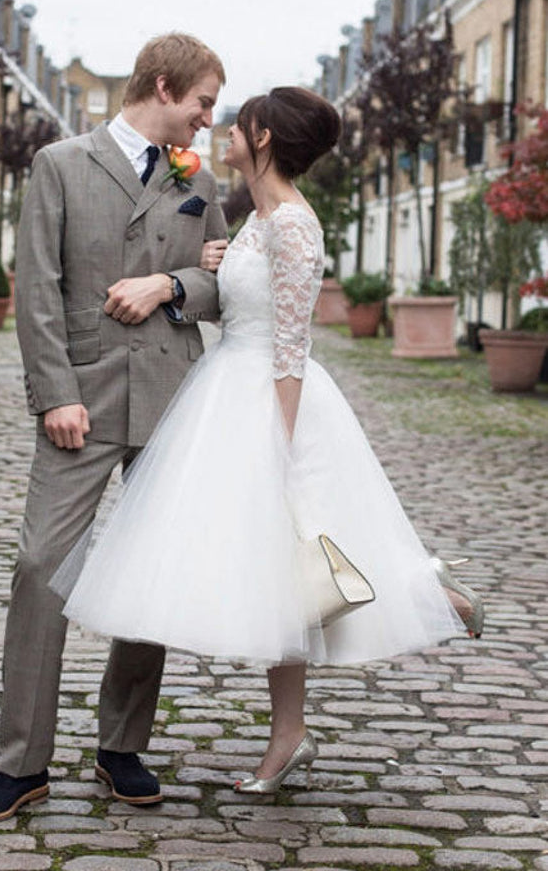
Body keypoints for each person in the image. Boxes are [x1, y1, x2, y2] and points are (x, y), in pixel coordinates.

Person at [51, 86, 481, 795]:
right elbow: (240, 302)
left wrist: (277, 445)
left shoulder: (294, 226)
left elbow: (291, 346)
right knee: (279, 577)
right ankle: (290, 735)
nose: (224, 131)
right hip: (227, 385)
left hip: (271, 400)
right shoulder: (259, 219)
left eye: (239, 124)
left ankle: (431, 597)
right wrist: (214, 264)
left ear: (264, 139)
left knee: (304, 550)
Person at [0, 33, 229, 823]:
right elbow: (37, 287)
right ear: (165, 85)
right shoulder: (61, 164)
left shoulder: (200, 178)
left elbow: (226, 281)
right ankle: (21, 763)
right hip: (82, 399)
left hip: (171, 396)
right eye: (203, 102)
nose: (209, 119)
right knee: (40, 566)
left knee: (150, 570)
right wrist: (54, 395)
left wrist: (170, 283)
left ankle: (122, 747)